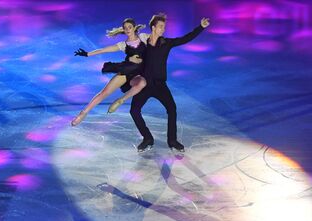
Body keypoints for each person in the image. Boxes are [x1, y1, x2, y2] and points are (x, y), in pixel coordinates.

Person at [115, 14, 210, 152]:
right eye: (160, 27)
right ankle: (147, 138)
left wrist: (201, 27)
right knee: (134, 111)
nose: (163, 29)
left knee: (172, 109)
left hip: (160, 85)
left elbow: (185, 39)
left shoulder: (166, 43)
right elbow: (131, 49)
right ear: (153, 27)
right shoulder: (144, 44)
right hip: (145, 85)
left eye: (164, 27)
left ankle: (172, 141)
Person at [71, 18, 149, 126]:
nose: (127, 30)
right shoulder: (123, 45)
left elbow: (157, 40)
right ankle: (83, 113)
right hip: (126, 72)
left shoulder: (144, 37)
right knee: (104, 93)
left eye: (129, 27)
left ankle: (120, 101)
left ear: (134, 27)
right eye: (125, 28)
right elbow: (104, 50)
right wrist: (87, 54)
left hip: (139, 74)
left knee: (142, 83)